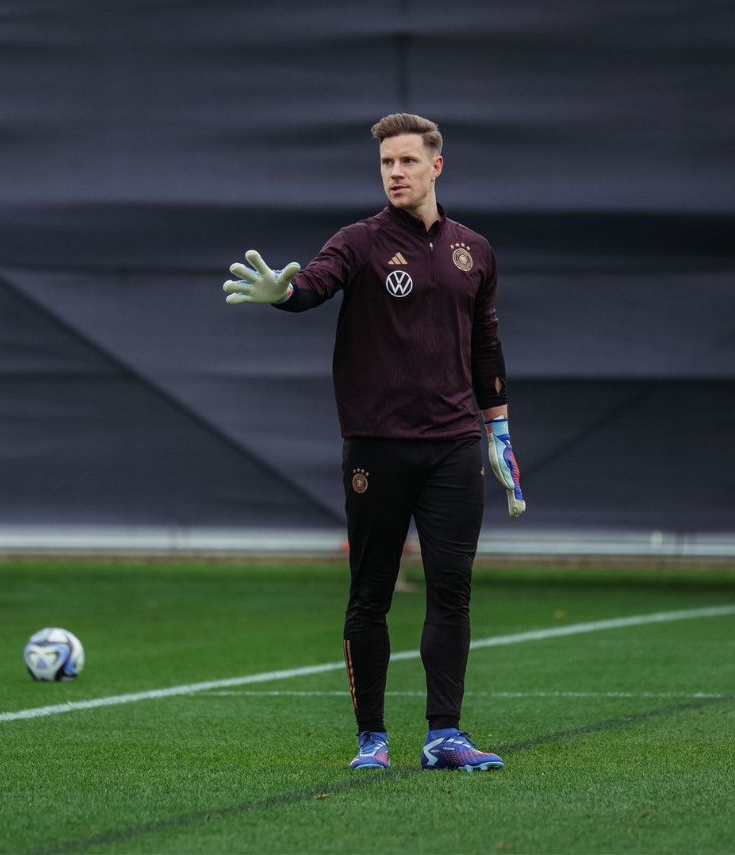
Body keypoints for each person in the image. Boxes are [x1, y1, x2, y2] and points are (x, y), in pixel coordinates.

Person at [221, 113, 525, 772]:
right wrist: (285, 293)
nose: (395, 172)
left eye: (407, 161)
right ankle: (372, 739)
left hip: (452, 446)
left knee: (453, 590)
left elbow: (486, 343)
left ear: (435, 166)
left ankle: (445, 734)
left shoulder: (475, 250)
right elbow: (314, 283)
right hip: (376, 448)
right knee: (371, 595)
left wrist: (498, 429)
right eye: (386, 162)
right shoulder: (359, 242)